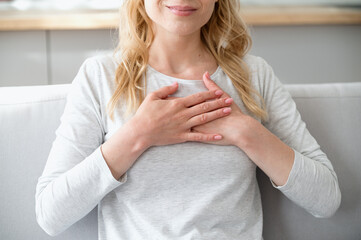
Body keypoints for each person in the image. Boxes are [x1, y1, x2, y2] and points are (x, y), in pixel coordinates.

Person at [35, 0, 341, 239]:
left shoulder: (254, 76)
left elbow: (326, 199)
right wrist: (139, 135)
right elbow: (51, 214)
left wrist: (247, 132)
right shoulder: (100, 77)